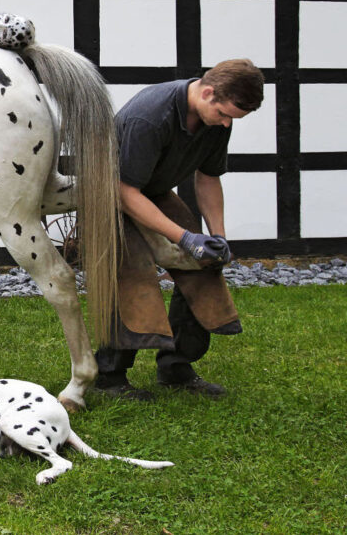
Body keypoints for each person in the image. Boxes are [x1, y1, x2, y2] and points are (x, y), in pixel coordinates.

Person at [94, 59, 265, 401]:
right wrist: (185, 237)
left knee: (203, 263)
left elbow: (208, 176)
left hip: (153, 193)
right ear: (207, 92)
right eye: (225, 114)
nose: (227, 123)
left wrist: (217, 237)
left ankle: (175, 366)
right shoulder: (150, 117)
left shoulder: (216, 119)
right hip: (109, 197)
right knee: (134, 274)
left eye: (233, 119)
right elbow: (125, 192)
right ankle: (110, 378)